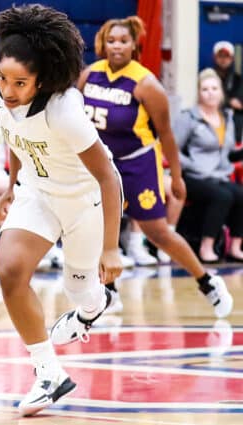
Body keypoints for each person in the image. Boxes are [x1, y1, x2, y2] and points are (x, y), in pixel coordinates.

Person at [0, 4, 123, 416]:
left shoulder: (65, 111)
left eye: (20, 83)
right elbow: (15, 138)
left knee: (79, 290)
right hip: (38, 193)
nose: (8, 90)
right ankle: (48, 372)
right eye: (2, 78)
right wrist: (11, 186)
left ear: (42, 80)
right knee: (10, 270)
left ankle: (91, 306)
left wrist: (111, 248)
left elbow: (109, 178)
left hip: (85, 201)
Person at [78, 16, 233, 318]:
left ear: (134, 44)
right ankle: (109, 292)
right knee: (97, 227)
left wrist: (176, 176)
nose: (117, 46)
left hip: (139, 164)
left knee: (157, 232)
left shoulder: (147, 83)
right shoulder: (89, 75)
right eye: (111, 41)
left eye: (123, 41)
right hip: (104, 164)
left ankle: (207, 281)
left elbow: (167, 134)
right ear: (102, 44)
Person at [0, 73, 65, 270]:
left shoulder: (3, 119)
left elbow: (14, 151)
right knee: (21, 199)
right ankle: (36, 250)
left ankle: (38, 250)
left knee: (21, 199)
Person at [175, 68, 243, 262]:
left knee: (240, 194)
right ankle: (207, 247)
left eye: (214, 88)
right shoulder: (189, 117)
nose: (210, 92)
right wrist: (192, 165)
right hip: (194, 176)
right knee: (222, 197)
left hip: (219, 175)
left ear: (221, 92)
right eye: (205, 89)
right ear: (199, 93)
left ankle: (236, 246)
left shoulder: (227, 118)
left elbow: (227, 152)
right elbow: (172, 149)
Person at [212, 40, 243, 143]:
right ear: (215, 58)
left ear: (232, 59)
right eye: (220, 56)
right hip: (213, 123)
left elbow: (239, 104)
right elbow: (210, 100)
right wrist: (229, 102)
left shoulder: (238, 79)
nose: (223, 60)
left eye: (226, 56)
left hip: (235, 126)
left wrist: (226, 101)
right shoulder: (209, 77)